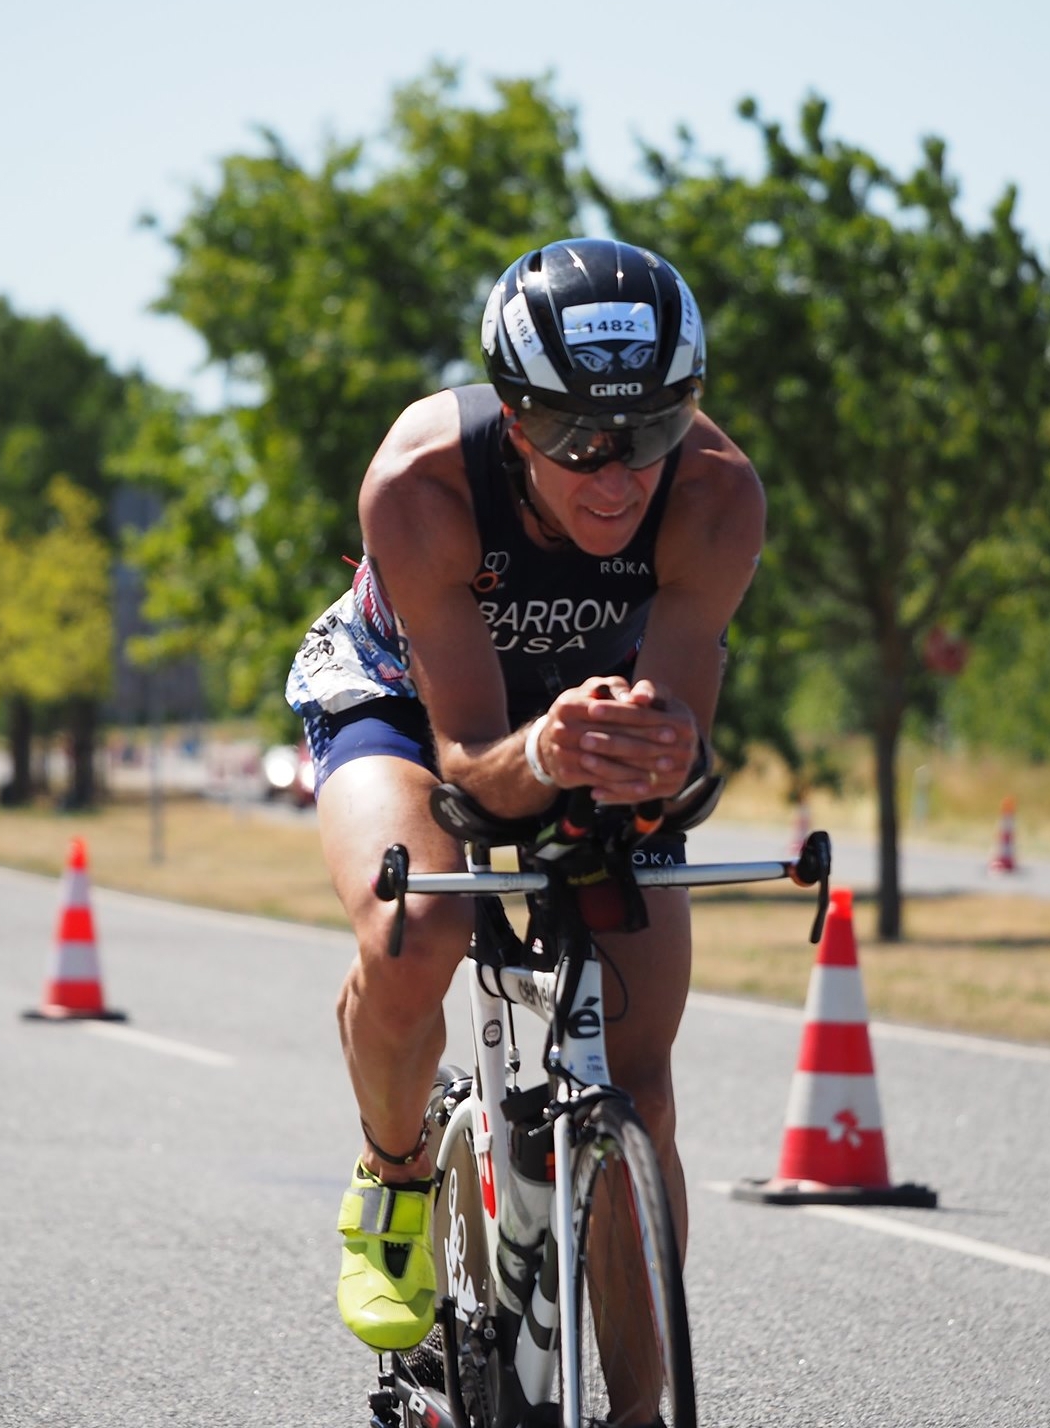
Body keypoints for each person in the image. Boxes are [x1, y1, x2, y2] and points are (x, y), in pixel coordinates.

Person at [286, 237, 766, 1355]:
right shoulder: (423, 482)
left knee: (641, 1089)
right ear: (513, 415)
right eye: (577, 441)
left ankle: (639, 1409)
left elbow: (682, 760)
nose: (617, 476)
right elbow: (465, 760)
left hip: (588, 717)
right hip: (405, 697)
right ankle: (394, 1173)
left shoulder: (714, 494)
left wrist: (667, 767)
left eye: (652, 430)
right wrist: (545, 752)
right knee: (418, 929)